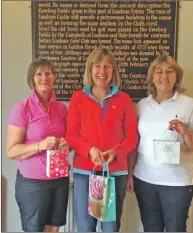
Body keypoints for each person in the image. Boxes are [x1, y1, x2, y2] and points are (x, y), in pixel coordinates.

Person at [127, 55, 193, 232]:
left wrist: (186, 132)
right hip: (145, 180)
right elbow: (135, 143)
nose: (164, 76)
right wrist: (130, 174)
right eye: (159, 71)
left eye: (170, 71)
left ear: (177, 76)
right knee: (151, 228)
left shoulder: (189, 104)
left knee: (175, 229)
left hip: (177, 184)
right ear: (152, 77)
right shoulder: (142, 105)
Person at [66, 47, 138, 232]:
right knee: (85, 227)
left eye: (107, 66)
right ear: (90, 69)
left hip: (114, 173)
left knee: (110, 228)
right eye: (97, 66)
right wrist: (89, 150)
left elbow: (132, 137)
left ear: (113, 70)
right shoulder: (78, 98)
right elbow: (71, 135)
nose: (102, 71)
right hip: (85, 171)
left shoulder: (124, 99)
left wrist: (117, 152)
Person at [6, 58, 69, 232]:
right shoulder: (21, 109)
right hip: (33, 184)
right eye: (39, 74)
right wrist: (39, 145)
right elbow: (11, 151)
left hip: (59, 180)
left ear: (54, 77)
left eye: (48, 73)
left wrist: (66, 143)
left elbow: (69, 140)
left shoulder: (61, 109)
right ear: (32, 79)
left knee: (54, 229)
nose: (44, 78)